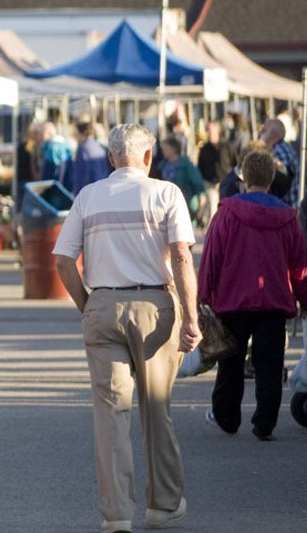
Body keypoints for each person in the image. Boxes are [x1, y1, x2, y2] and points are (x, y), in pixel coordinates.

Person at [52, 124, 201, 533]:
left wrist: (88, 306)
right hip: (155, 303)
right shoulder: (167, 193)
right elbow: (183, 259)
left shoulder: (87, 196)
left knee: (110, 412)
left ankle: (117, 514)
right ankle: (163, 505)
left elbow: (64, 261)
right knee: (156, 406)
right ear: (149, 156)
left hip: (102, 303)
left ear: (112, 158)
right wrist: (192, 316)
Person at [197, 150, 307, 441]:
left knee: (230, 363)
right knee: (269, 365)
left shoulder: (227, 212)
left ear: (243, 177)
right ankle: (264, 423)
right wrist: (304, 298)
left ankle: (227, 417)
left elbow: (212, 256)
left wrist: (203, 293)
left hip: (233, 300)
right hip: (273, 300)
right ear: (272, 178)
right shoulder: (287, 217)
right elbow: (300, 265)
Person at [196, 120, 234, 227]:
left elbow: (234, 161)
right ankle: (213, 229)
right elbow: (200, 166)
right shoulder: (204, 149)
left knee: (226, 206)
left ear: (218, 130)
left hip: (225, 181)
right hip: (210, 182)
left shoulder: (227, 146)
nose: (209, 132)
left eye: (211, 130)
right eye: (208, 130)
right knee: (213, 206)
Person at [159, 138, 204, 216]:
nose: (162, 151)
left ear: (172, 149)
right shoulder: (162, 165)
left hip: (184, 200)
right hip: (166, 202)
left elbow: (196, 179)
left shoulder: (186, 164)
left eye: (165, 148)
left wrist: (200, 194)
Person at [66, 121, 111, 194]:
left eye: (76, 134)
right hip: (101, 190)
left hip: (88, 193)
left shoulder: (83, 149)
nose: (75, 136)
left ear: (81, 133)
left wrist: (78, 195)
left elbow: (80, 176)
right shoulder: (99, 148)